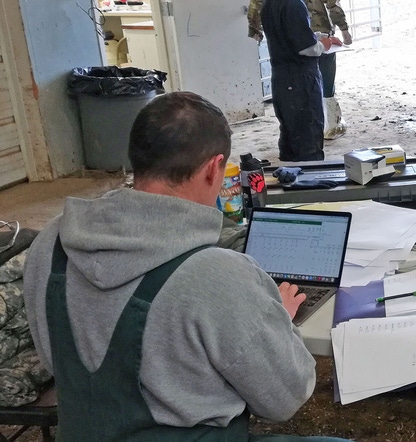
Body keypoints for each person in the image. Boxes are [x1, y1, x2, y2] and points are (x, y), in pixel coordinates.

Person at [22, 92, 348, 441]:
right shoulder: (218, 275)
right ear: (213, 169)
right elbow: (285, 399)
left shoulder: (50, 244)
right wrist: (277, 318)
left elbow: (61, 360)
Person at [248, 0, 353, 140]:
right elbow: (333, 5)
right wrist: (344, 29)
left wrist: (255, 29)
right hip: (318, 28)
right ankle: (331, 124)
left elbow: (257, 3)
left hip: (287, 38)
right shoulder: (293, 5)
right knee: (324, 80)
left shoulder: (274, 5)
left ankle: (312, 130)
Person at [260, 0, 341, 162]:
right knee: (308, 136)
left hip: (282, 78)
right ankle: (312, 180)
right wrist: (323, 45)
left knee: (290, 134)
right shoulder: (294, 5)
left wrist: (319, 38)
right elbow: (306, 48)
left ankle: (292, 179)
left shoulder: (269, 4)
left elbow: (288, 36)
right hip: (300, 80)